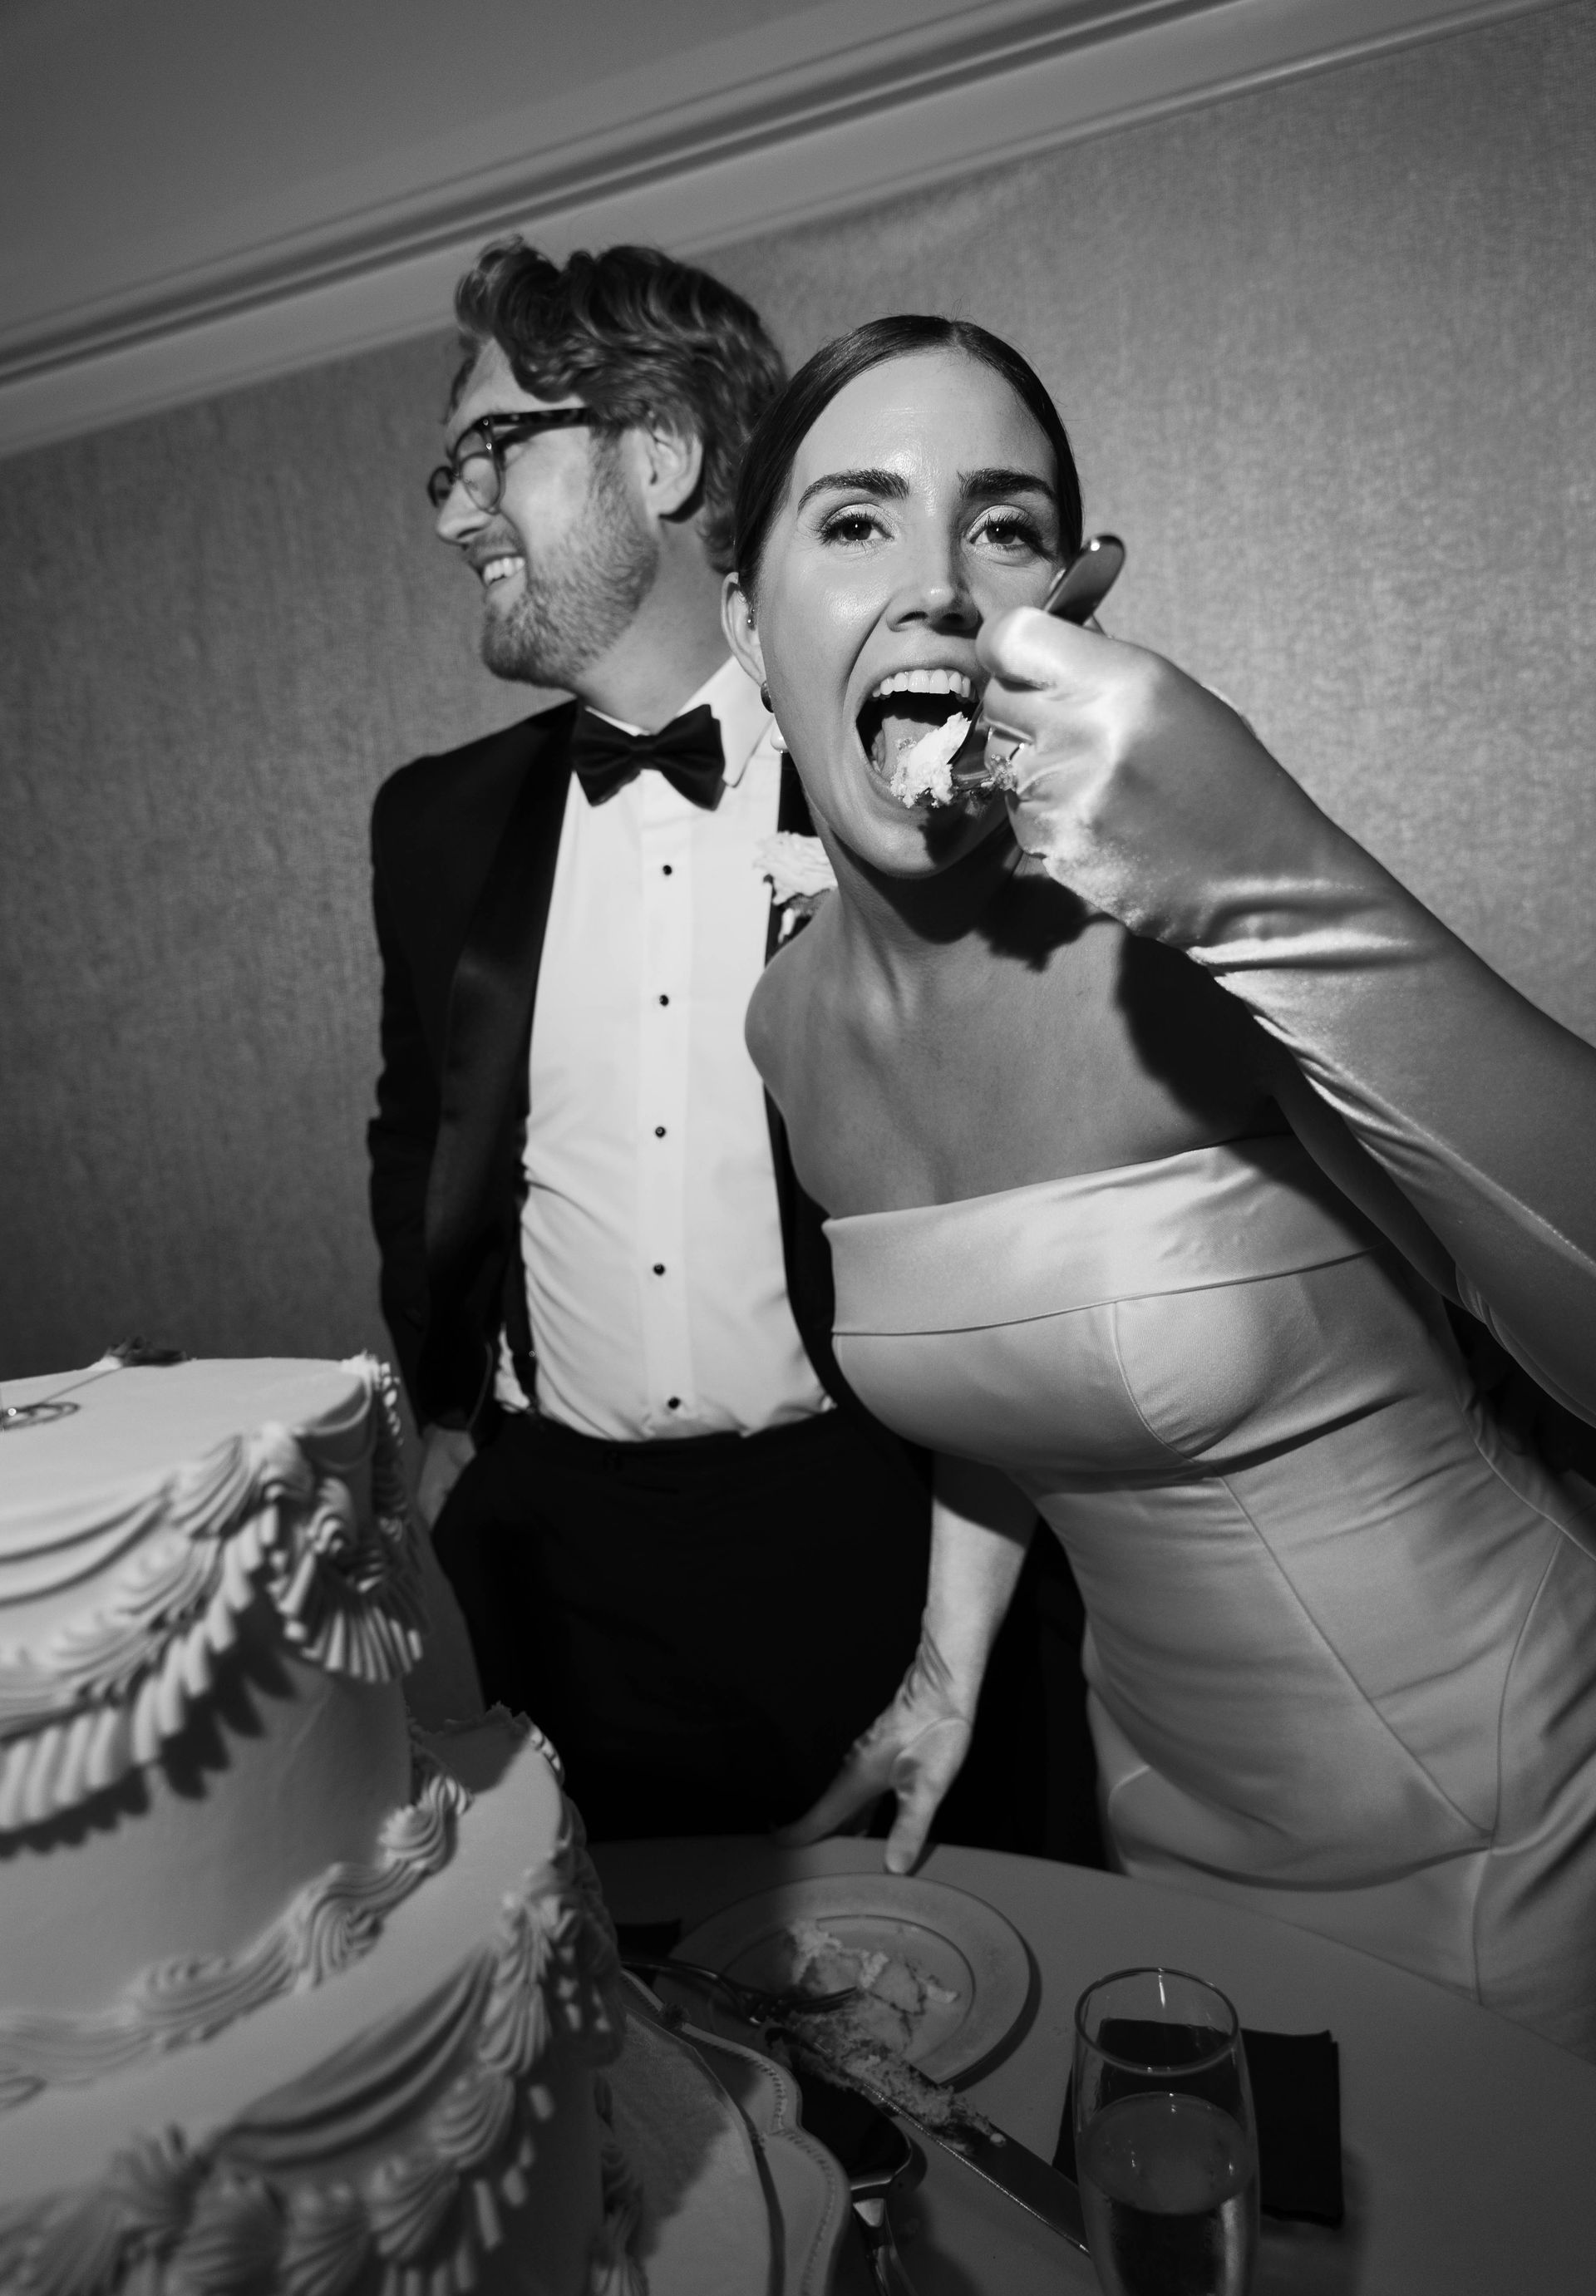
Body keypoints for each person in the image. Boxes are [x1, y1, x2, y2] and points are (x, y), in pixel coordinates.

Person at [724, 313, 1596, 2056]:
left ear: (1071, 600)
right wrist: (945, 1668)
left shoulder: (1186, 934)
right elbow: (1010, 1357)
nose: (940, 586)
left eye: (1006, 523)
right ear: (750, 630)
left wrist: (1273, 884)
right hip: (1169, 1821)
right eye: (853, 520)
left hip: (1502, 1809)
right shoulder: (786, 1026)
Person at [367, 245, 1081, 1848]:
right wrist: (446, 1434)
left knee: (939, 1990)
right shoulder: (432, 831)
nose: (452, 510)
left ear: (662, 454)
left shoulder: (908, 779)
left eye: (494, 449)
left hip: (868, 1523)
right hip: (556, 1563)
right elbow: (420, 1139)